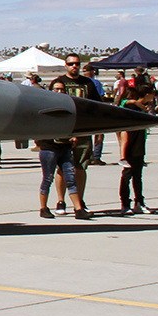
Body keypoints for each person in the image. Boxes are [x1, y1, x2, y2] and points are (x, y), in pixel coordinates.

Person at [39, 78, 90, 220]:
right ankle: (43, 208)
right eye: (56, 89)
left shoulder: (69, 105)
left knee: (70, 177)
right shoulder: (45, 105)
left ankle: (78, 209)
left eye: (62, 89)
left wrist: (73, 135)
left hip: (65, 146)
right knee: (47, 178)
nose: (59, 91)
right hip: (49, 147)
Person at [56, 55, 100, 210]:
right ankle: (61, 201)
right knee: (62, 168)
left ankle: (79, 201)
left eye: (77, 64)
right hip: (63, 132)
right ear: (66, 65)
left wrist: (97, 130)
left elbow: (97, 107)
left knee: (81, 167)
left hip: (82, 131)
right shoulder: (58, 83)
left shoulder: (88, 84)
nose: (74, 66)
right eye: (71, 64)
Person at [118, 87, 155, 214]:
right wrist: (123, 153)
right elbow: (125, 131)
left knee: (138, 176)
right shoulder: (132, 108)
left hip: (139, 145)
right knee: (127, 176)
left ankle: (139, 202)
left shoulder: (141, 107)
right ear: (147, 95)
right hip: (131, 146)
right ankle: (125, 204)